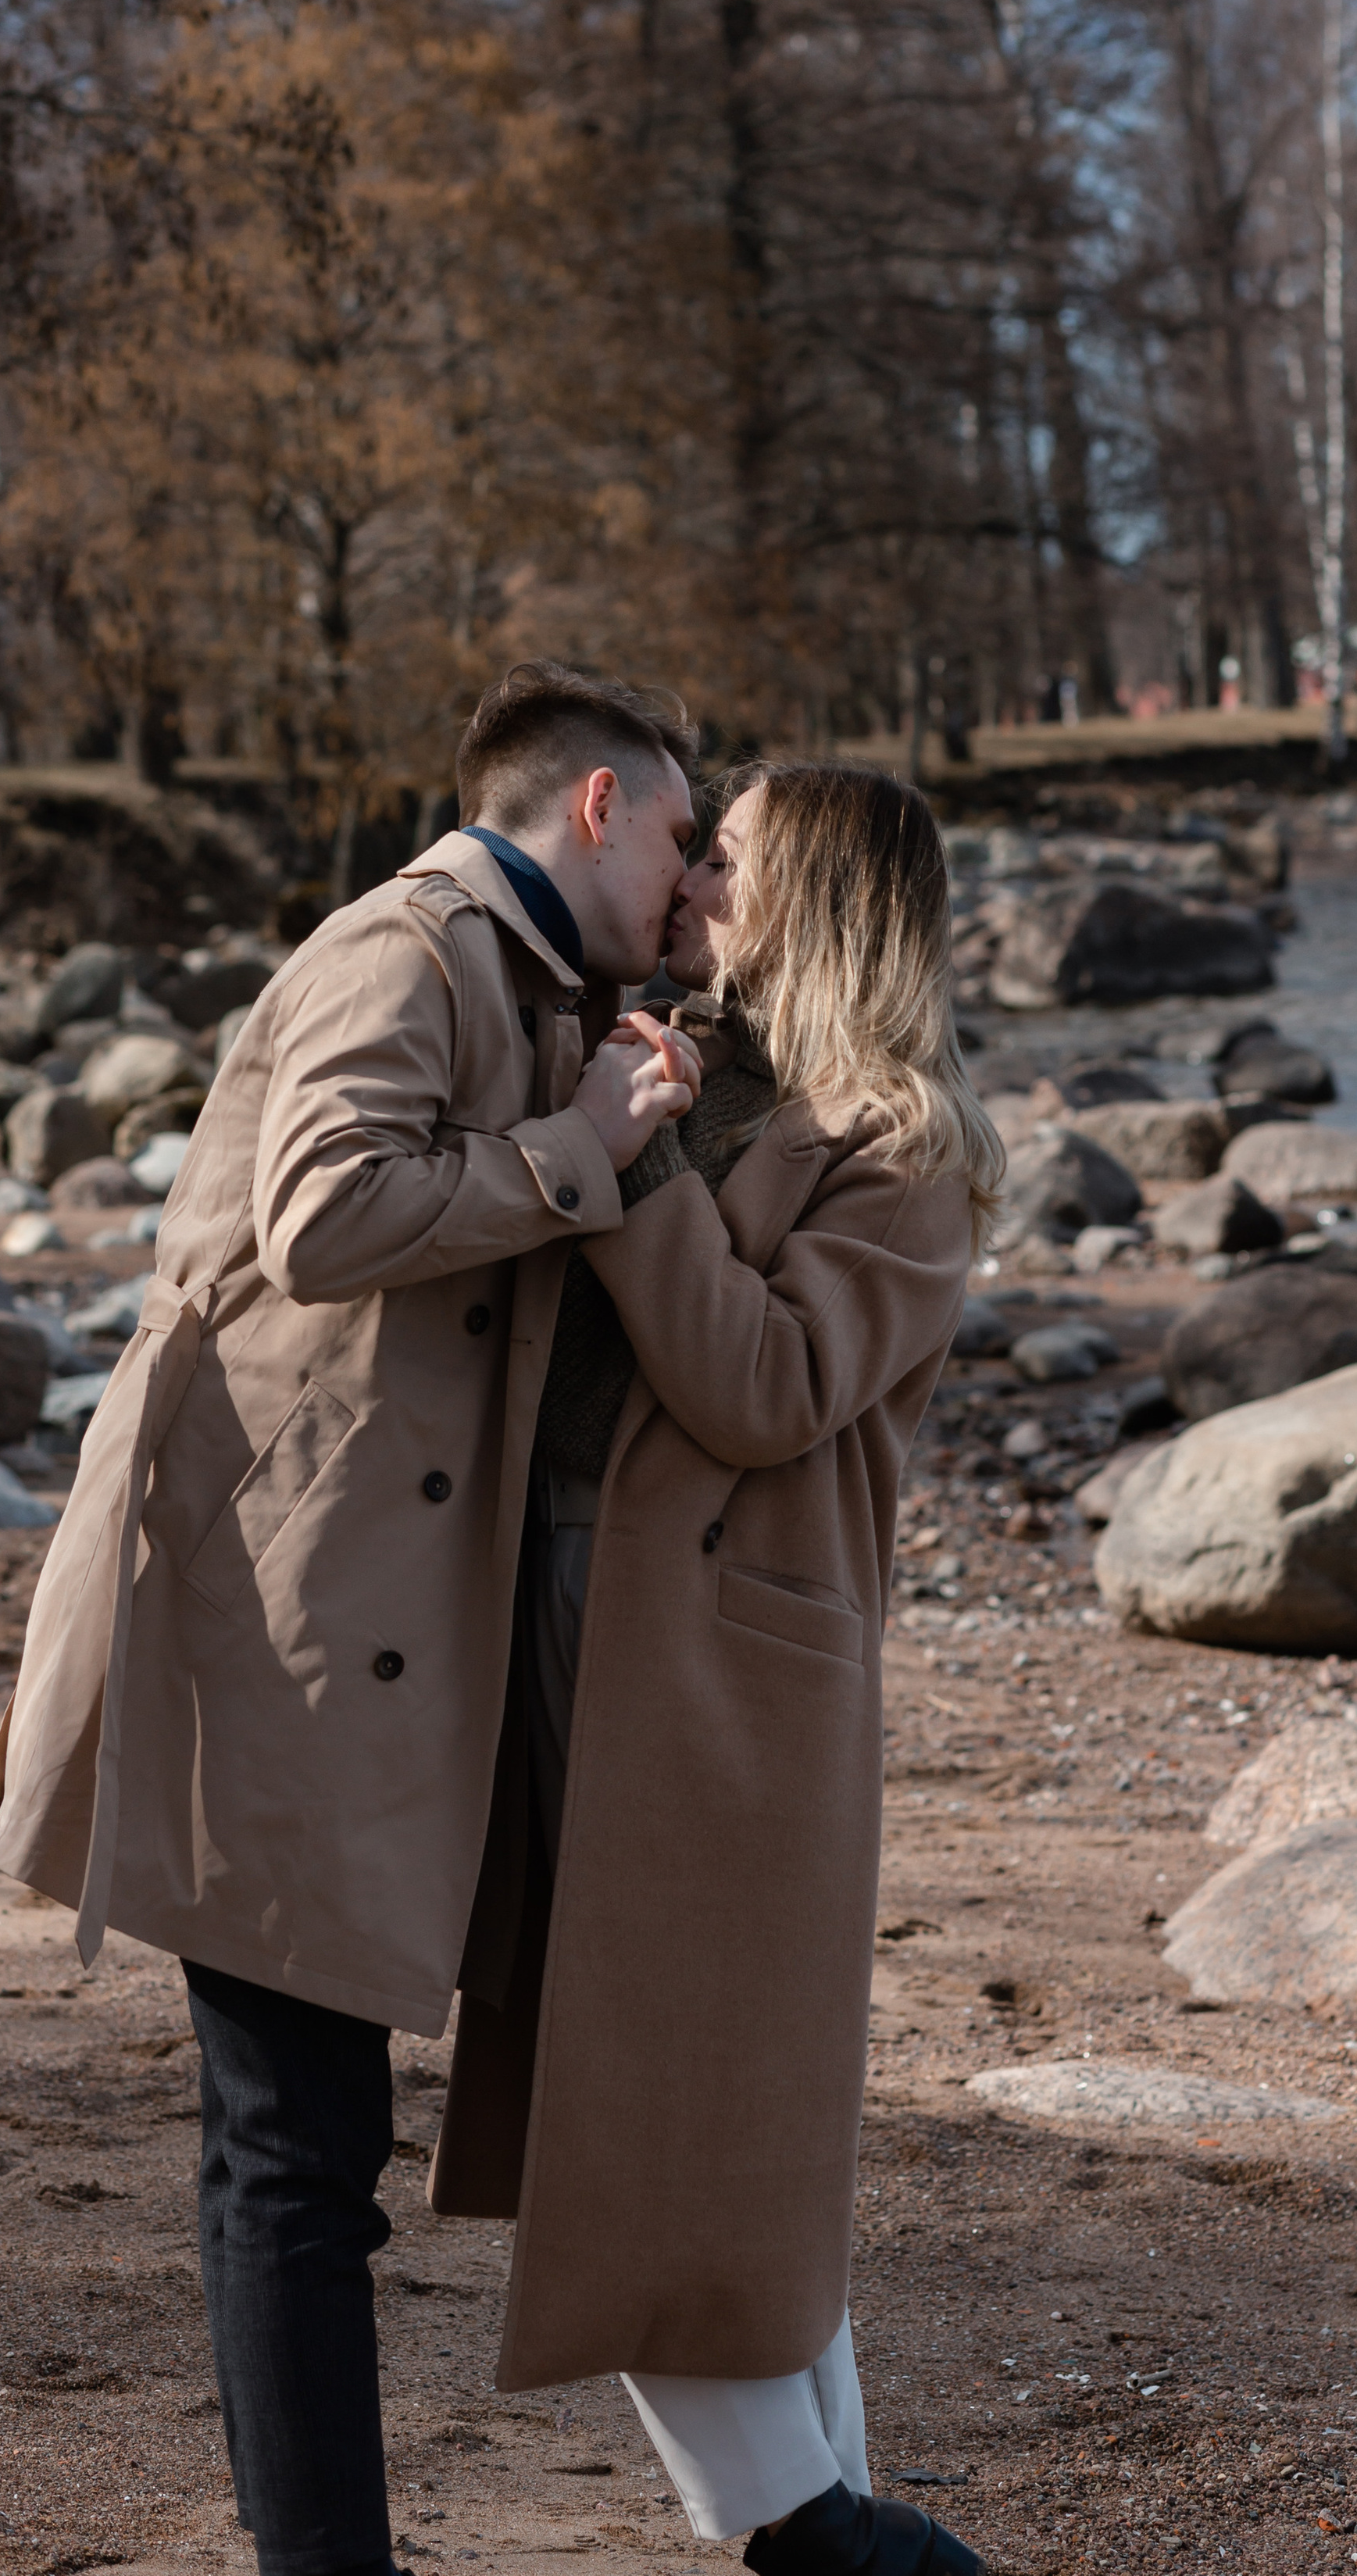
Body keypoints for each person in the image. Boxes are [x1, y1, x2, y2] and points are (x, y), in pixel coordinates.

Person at [0, 659, 707, 2576]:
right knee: (295, 2155)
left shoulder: (545, 980)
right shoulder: (400, 950)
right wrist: (587, 1147)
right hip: (277, 1620)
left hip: (363, 1620)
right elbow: (321, 1215)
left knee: (309, 2151)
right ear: (595, 809)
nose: (693, 882)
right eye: (683, 838)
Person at [430, 761, 1003, 2576]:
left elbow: (762, 1388)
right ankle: (829, 2535)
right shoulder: (688, 1059)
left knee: (685, 2122)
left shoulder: (905, 1149)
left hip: (721, 1684)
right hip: (598, 1629)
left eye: (726, 857)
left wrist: (639, 1157)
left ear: (809, 900)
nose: (689, 881)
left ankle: (827, 2545)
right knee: (665, 2112)